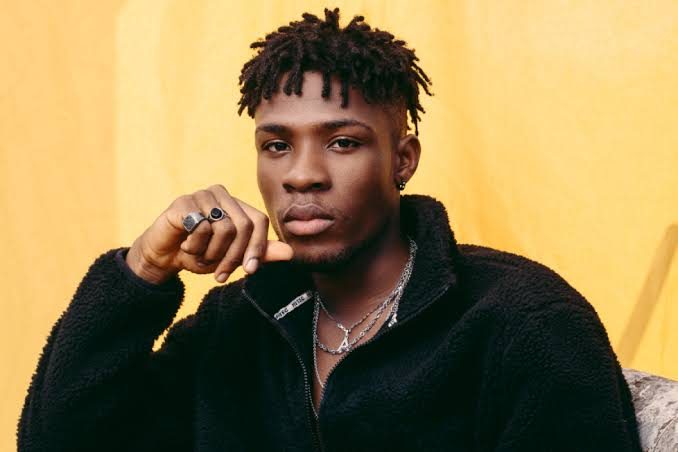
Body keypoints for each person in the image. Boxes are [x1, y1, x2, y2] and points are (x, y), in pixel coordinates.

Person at [18, 8, 641, 452]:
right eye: (277, 145)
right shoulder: (236, 322)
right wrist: (142, 273)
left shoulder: (522, 320)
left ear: (402, 160)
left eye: (342, 142)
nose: (302, 175)